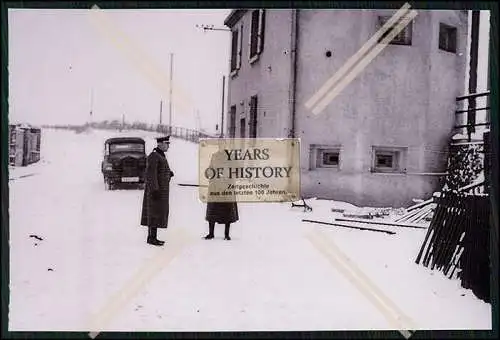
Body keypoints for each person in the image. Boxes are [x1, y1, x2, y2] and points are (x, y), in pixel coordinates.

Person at [140, 136, 174, 246]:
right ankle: (151, 238)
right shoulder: (154, 156)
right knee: (153, 213)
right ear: (159, 144)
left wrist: (168, 173)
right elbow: (151, 174)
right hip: (156, 191)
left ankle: (153, 237)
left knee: (156, 213)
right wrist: (154, 190)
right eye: (166, 143)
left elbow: (159, 171)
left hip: (160, 190)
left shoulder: (160, 155)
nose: (168, 145)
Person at [204, 139, 239, 240]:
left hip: (226, 187)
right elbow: (210, 168)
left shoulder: (231, 156)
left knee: (227, 210)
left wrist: (226, 175)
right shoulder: (214, 156)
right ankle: (211, 233)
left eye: (222, 144)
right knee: (213, 211)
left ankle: (226, 234)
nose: (221, 146)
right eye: (219, 145)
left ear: (225, 145)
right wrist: (209, 173)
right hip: (215, 186)